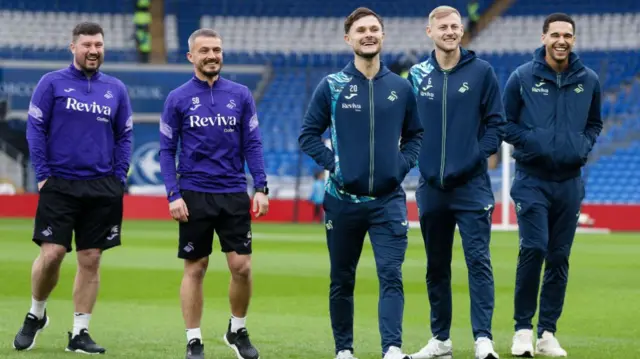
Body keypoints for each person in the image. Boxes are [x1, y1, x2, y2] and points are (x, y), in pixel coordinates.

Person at [298, 7, 423, 359]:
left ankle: (393, 349)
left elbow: (416, 135)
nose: (368, 34)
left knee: (391, 274)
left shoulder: (401, 87)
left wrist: (400, 166)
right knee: (342, 279)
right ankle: (344, 350)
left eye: (374, 29)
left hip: (388, 200)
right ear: (348, 39)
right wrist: (334, 165)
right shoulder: (332, 87)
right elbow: (308, 135)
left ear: (382, 36)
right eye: (361, 30)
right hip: (342, 200)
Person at [13, 22, 133, 354]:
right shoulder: (51, 83)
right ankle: (36, 313)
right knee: (52, 254)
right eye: (87, 45)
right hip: (60, 183)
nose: (94, 51)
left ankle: (79, 333)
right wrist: (43, 173)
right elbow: (35, 128)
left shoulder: (116, 89)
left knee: (91, 258)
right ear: (73, 47)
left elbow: (124, 136)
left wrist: (119, 176)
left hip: (102, 186)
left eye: (99, 45)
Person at [159, 28, 268, 359]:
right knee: (196, 266)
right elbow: (166, 149)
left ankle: (237, 329)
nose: (212, 55)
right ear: (191, 56)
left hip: (233, 190)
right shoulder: (177, 98)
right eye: (204, 50)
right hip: (193, 192)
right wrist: (172, 194)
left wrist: (260, 186)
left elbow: (252, 142)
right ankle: (193, 339)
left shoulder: (240, 94)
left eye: (217, 50)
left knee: (242, 267)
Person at [406, 6, 505, 359]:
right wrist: (416, 159)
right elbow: (405, 126)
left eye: (455, 26)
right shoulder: (416, 76)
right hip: (431, 186)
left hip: (472, 185)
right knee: (436, 266)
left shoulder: (482, 72)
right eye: (443, 27)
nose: (450, 31)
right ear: (429, 31)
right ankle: (441, 341)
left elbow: (497, 123)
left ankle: (483, 340)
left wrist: (477, 156)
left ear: (462, 31)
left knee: (478, 261)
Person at [503, 13, 602, 358]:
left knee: (559, 257)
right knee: (534, 248)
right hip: (532, 179)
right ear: (543, 36)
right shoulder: (522, 77)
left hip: (570, 182)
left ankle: (547, 332)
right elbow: (504, 123)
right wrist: (533, 141)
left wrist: (583, 145)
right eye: (556, 34)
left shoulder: (588, 80)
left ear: (574, 40)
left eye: (568, 35)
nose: (562, 40)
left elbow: (594, 123)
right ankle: (521, 330)